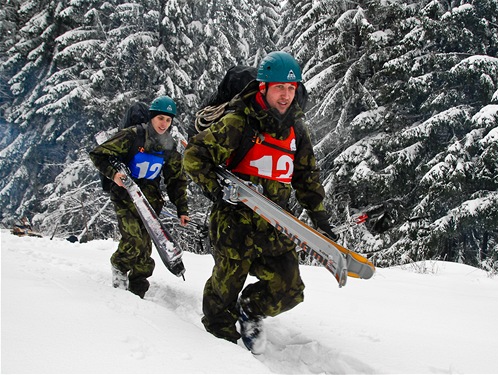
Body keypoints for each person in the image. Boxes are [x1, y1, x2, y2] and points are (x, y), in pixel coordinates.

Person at [183, 51, 336, 353]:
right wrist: (216, 191)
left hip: (275, 222)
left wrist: (320, 220)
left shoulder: (297, 130)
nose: (286, 95)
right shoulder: (238, 122)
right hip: (234, 223)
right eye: (279, 87)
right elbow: (194, 157)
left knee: (289, 289)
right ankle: (219, 350)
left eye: (291, 89)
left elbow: (306, 177)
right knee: (222, 296)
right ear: (263, 87)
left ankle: (250, 310)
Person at [90, 96, 189, 298]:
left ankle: (138, 289)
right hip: (125, 196)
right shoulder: (132, 135)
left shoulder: (169, 146)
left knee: (145, 250)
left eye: (168, 120)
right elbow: (98, 154)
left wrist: (182, 209)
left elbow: (176, 179)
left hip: (150, 201)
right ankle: (119, 265)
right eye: (160, 118)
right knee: (133, 240)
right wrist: (114, 174)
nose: (164, 124)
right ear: (152, 117)